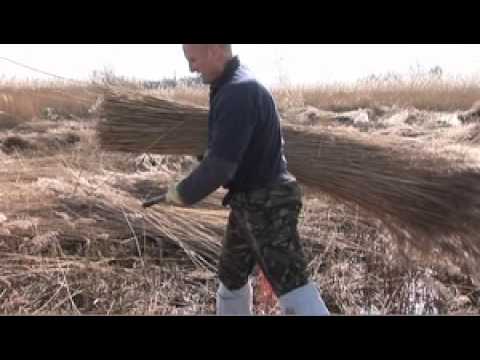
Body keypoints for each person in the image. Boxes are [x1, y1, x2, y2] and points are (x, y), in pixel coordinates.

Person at [164, 44, 329, 316]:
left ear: (216, 50)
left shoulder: (238, 92)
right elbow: (236, 147)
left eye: (193, 59)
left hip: (267, 204)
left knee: (292, 284)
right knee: (231, 275)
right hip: (248, 201)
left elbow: (219, 168)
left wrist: (182, 193)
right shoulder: (233, 83)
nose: (191, 68)